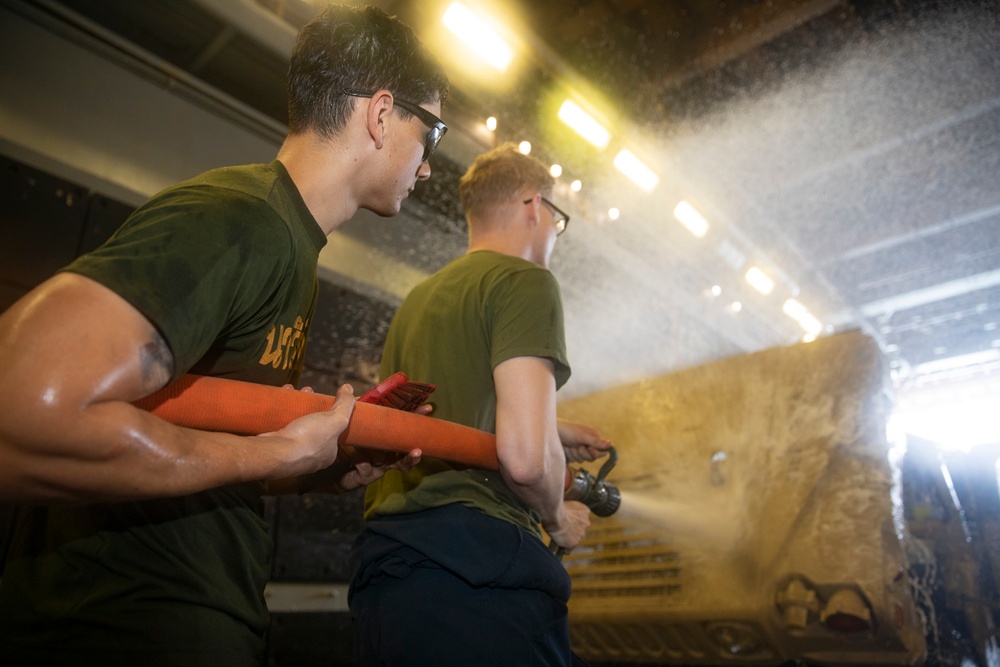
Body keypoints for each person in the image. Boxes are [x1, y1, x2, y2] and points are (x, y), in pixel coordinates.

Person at [0, 4, 449, 665]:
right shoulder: (241, 220)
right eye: (431, 133)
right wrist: (277, 456)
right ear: (381, 114)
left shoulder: (292, 249)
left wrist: (314, 465)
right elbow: (20, 408)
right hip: (120, 623)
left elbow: (192, 450)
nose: (430, 166)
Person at [349, 143, 613, 666]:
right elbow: (525, 460)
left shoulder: (419, 299)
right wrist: (558, 518)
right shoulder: (526, 282)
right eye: (557, 222)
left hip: (389, 562)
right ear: (535, 207)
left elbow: (448, 411)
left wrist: (552, 427)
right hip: (477, 564)